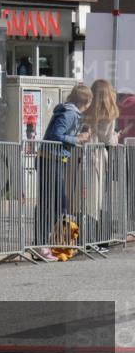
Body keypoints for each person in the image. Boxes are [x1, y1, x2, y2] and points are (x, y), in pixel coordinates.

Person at [34, 84, 92, 260]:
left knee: (59, 203)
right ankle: (40, 244)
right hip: (50, 159)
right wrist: (77, 139)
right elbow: (56, 135)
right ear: (86, 101)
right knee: (49, 203)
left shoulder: (72, 113)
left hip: (55, 159)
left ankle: (50, 241)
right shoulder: (69, 113)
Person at [73, 79, 120, 246]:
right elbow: (107, 139)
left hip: (80, 156)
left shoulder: (84, 111)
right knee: (96, 198)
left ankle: (80, 236)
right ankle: (93, 239)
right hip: (97, 158)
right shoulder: (109, 114)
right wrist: (116, 137)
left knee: (81, 198)